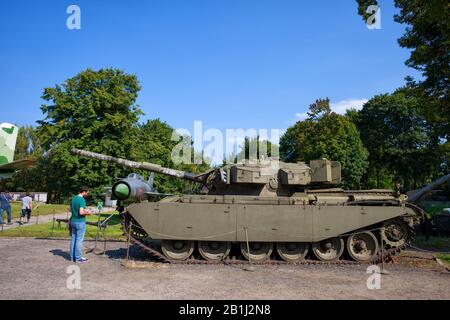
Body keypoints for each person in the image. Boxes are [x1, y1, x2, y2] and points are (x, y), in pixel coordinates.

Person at [69, 186, 93, 263]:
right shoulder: (82, 200)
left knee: (73, 239)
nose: (87, 194)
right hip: (80, 222)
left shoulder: (74, 198)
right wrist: (89, 213)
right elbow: (81, 212)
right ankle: (78, 258)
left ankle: (72, 257)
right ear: (84, 192)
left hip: (73, 221)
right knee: (79, 240)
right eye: (87, 192)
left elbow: (69, 209)